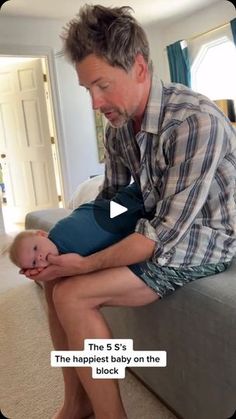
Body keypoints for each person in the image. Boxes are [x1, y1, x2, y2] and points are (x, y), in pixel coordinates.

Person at [21, 5, 236, 419]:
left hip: (199, 241)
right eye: (87, 89)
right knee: (57, 277)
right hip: (155, 222)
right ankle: (77, 400)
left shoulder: (195, 122)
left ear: (139, 67)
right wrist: (72, 237)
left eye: (102, 85)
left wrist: (84, 264)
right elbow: (117, 200)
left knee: (74, 292)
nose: (95, 103)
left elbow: (161, 236)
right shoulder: (120, 125)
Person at [9, 182, 147, 270]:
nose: (39, 257)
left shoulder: (59, 234)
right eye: (33, 263)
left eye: (35, 248)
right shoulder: (61, 257)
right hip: (115, 221)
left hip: (109, 210)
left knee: (136, 199)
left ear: (42, 234)